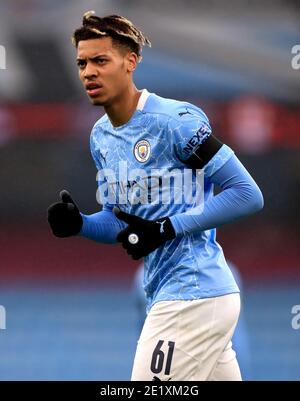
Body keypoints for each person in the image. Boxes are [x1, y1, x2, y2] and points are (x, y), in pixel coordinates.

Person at [47, 11, 264, 381]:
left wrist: (167, 228)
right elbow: (121, 221)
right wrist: (80, 224)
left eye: (101, 60)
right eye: (82, 63)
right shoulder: (100, 136)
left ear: (130, 62)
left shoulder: (176, 121)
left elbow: (247, 193)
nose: (88, 72)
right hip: (174, 295)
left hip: (192, 295)